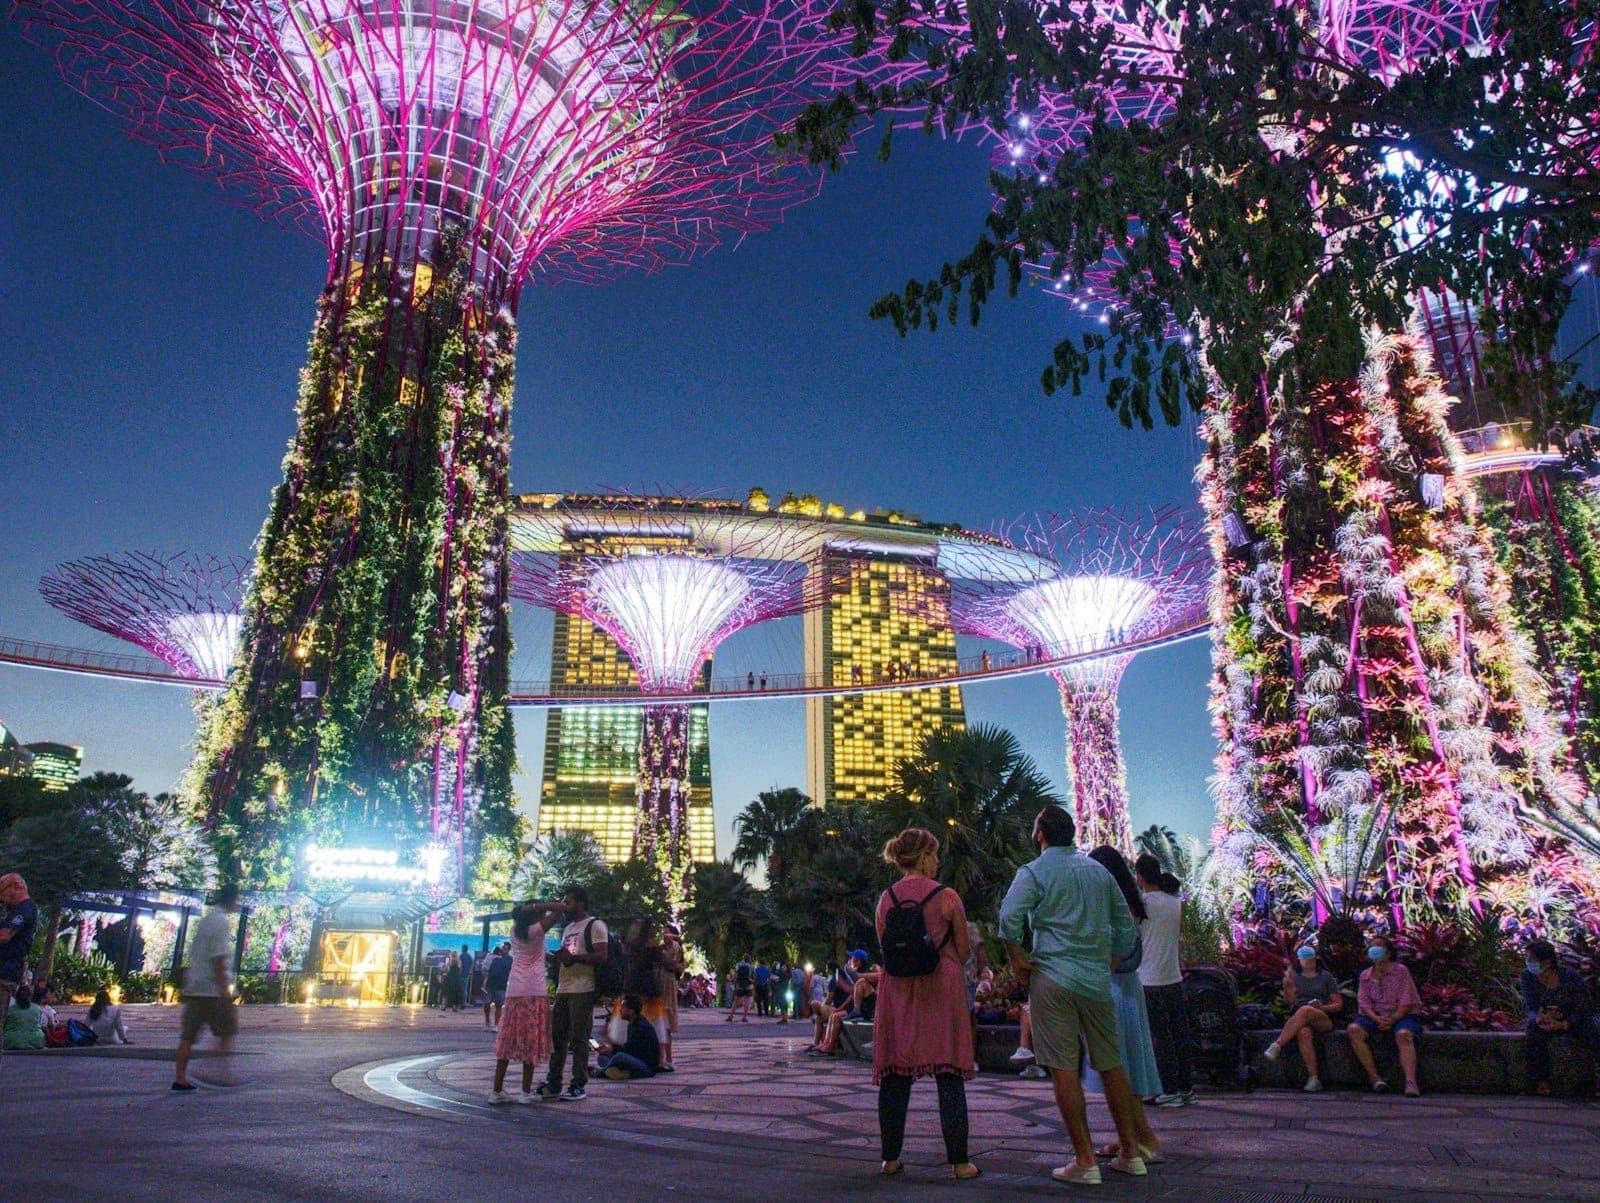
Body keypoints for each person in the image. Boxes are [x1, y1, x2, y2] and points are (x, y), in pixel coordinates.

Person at [999, 807, 1147, 1186]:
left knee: (1063, 1068)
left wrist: (1018, 959)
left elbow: (1009, 918)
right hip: (1096, 980)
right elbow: (1126, 930)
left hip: (1052, 977)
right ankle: (1131, 1153)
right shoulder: (1098, 872)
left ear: (1040, 834)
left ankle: (1085, 1160)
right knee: (1111, 1064)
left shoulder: (1033, 872)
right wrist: (1108, 963)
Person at [872, 828, 980, 1181]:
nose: (937, 861)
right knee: (948, 1074)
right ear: (922, 856)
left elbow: (884, 945)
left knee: (896, 1075)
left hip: (898, 990)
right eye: (934, 855)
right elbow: (963, 949)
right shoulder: (947, 896)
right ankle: (960, 1162)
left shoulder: (886, 899)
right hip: (941, 988)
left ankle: (890, 1158)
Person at [1084, 846, 1165, 1164]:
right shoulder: (1129, 902)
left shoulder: (1109, 904)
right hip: (1128, 988)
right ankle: (1129, 1136)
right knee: (1124, 1066)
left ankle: (1142, 1138)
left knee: (1117, 1068)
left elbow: (1106, 949)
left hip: (1114, 988)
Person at [1134, 853, 1194, 1108]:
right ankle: (1185, 1087)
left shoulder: (1141, 904)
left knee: (1159, 1039)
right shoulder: (1175, 902)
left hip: (1148, 980)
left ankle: (1167, 1089)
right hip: (1173, 978)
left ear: (1140, 877)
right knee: (1179, 1034)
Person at [489, 902, 564, 1104]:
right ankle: (524, 1092)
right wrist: (541, 905)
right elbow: (560, 909)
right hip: (534, 989)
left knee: (507, 1040)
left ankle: (496, 1091)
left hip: (514, 990)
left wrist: (532, 909)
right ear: (534, 915)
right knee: (530, 1040)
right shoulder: (537, 930)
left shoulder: (514, 931)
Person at [173, 883, 243, 1091]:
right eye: (237, 900)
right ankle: (214, 1070)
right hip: (212, 990)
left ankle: (180, 1077)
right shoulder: (221, 922)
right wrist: (224, 991)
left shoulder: (206, 920)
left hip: (194, 986)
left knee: (188, 1036)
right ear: (231, 900)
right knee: (228, 1028)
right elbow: (219, 958)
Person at [540, 886, 606, 1102]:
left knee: (579, 1038)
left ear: (581, 903)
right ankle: (554, 1082)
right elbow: (567, 957)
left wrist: (574, 959)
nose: (564, 906)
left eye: (568, 902)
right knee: (557, 1037)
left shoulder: (595, 925)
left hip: (583, 988)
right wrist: (557, 959)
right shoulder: (568, 928)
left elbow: (602, 955)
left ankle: (578, 1084)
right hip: (564, 988)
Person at [1520, 939, 1600, 1096]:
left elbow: (1583, 1007)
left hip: (1572, 1019)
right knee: (1534, 1034)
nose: (1528, 963)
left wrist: (1565, 1023)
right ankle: (1541, 1081)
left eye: (1531, 960)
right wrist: (1538, 1018)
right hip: (1546, 1021)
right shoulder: (1527, 976)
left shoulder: (1570, 976)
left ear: (1547, 963)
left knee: (1592, 1029)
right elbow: (1530, 1006)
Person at [1347, 934, 1424, 1097]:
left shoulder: (1401, 972)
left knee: (1404, 1035)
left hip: (1402, 1016)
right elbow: (1364, 1003)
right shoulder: (1365, 976)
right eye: (1371, 946)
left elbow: (1407, 1000)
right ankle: (1374, 1078)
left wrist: (1393, 1019)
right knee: (1354, 1030)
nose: (1374, 949)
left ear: (1388, 953)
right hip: (1375, 1016)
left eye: (1378, 946)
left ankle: (1411, 1081)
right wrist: (1376, 1018)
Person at [1261, 944, 1343, 1092]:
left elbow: (1338, 1004)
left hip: (1322, 1016)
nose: (1307, 963)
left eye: (1309, 960)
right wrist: (1287, 986)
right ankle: (1313, 1078)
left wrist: (1322, 1007)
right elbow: (1290, 1003)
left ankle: (1278, 1045)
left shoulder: (1326, 977)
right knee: (1303, 1033)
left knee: (1306, 1009)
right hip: (1300, 1017)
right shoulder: (1294, 976)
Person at [0, 872, 39, 1066]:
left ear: (16, 886)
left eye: (3, 893)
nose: (3, 899)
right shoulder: (17, 910)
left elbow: (5, 935)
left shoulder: (25, 909)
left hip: (5, 974)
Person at [598, 994, 661, 1080]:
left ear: (631, 1011)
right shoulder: (632, 1023)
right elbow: (629, 1048)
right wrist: (610, 1050)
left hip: (646, 1067)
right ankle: (618, 1072)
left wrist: (612, 1050)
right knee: (602, 1057)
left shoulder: (640, 1027)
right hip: (635, 1060)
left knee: (619, 1056)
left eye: (623, 1008)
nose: (620, 1010)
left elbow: (630, 1051)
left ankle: (603, 1072)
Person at [659, 923, 684, 1070]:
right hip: (659, 985)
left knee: (666, 1024)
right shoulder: (661, 948)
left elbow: (673, 964)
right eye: (663, 933)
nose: (664, 935)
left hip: (667, 986)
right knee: (659, 1024)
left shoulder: (674, 947)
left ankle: (668, 1058)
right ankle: (661, 1058)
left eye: (667, 933)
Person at [2, 985, 44, 1052]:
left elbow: (3, 1026)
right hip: (36, 1041)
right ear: (30, 996)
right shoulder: (37, 1009)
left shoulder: (9, 1010)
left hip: (11, 1041)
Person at [484, 943, 513, 1031]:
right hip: (490, 984)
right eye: (502, 948)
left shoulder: (510, 960)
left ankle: (496, 1024)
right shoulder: (494, 958)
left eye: (505, 948)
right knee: (486, 1003)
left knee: (499, 1005)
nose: (503, 950)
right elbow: (487, 969)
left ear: (508, 950)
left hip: (501, 985)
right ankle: (487, 1020)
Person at [727, 955, 754, 1022]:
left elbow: (735, 975)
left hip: (740, 985)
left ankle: (731, 1016)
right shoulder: (752, 966)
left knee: (736, 1001)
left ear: (743, 959)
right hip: (749, 985)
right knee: (747, 1002)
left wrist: (735, 982)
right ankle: (744, 1017)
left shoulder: (738, 965)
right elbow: (753, 975)